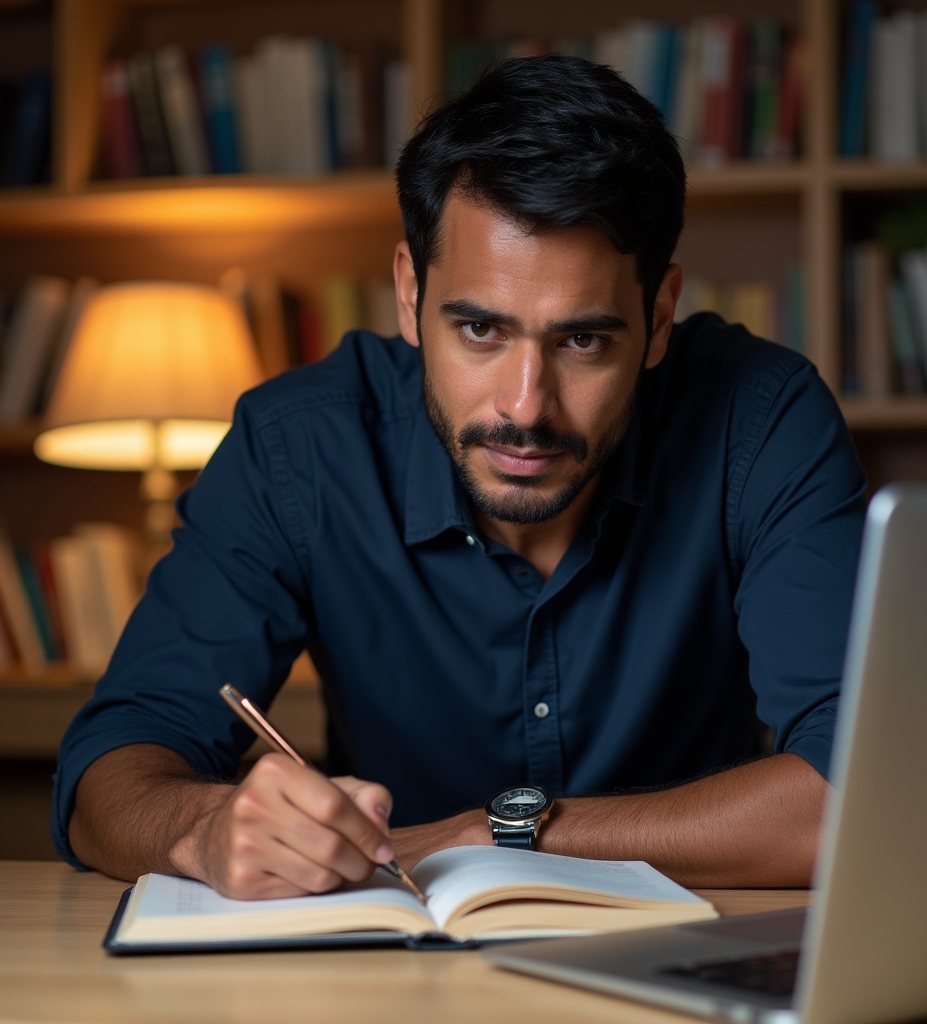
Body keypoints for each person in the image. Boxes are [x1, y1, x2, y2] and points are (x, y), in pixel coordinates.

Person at [54, 55, 865, 900]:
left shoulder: (760, 420)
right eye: (480, 329)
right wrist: (204, 829)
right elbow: (107, 775)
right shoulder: (298, 447)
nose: (526, 406)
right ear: (409, 294)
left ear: (658, 319)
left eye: (582, 340)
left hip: (688, 967)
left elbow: (855, 793)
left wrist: (497, 835)